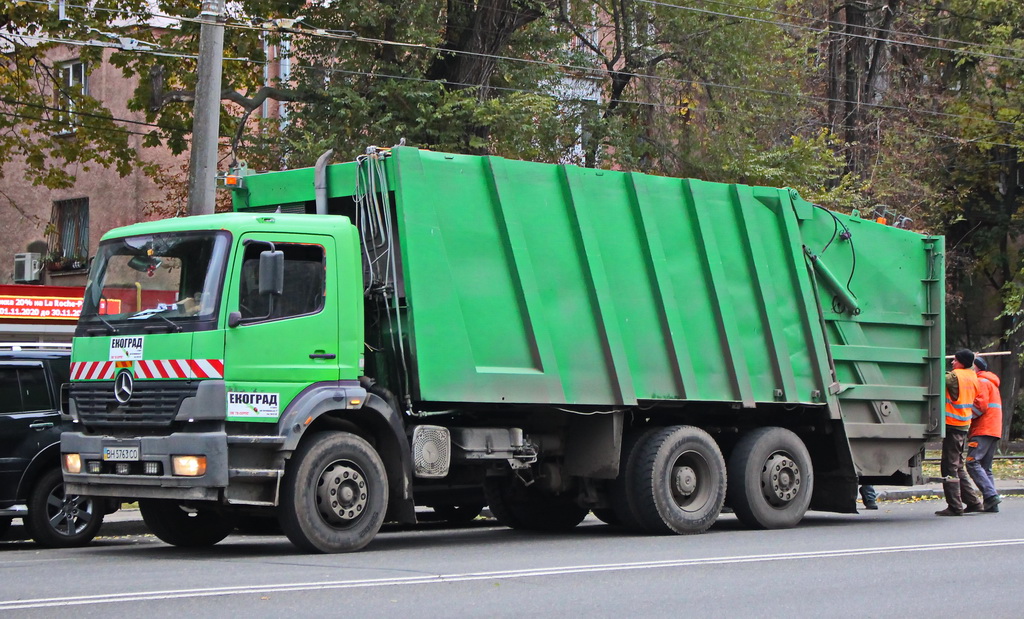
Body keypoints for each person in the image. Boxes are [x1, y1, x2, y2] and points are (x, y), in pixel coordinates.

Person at [936, 349, 985, 516]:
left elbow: (937, 377)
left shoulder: (956, 376)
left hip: (953, 425)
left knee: (949, 467)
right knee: (958, 466)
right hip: (963, 425)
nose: (952, 362)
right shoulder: (973, 376)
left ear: (962, 362)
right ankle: (973, 502)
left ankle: (955, 506)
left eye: (955, 360)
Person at [967, 357, 1002, 513]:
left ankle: (991, 495)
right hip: (993, 429)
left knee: (972, 462)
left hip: (982, 429)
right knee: (985, 468)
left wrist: (966, 418)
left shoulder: (981, 382)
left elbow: (980, 406)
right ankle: (991, 504)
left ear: (976, 368)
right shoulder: (991, 383)